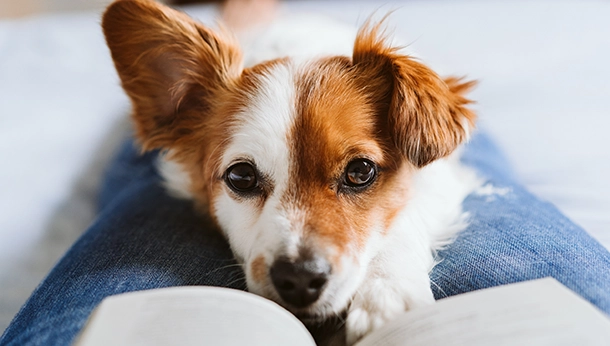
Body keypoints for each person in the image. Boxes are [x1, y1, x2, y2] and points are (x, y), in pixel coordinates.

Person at [2, 131, 609, 346]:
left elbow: (435, 151)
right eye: (246, 177)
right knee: (156, 181)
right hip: (216, 102)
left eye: (358, 172)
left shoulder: (387, 86)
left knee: (461, 164)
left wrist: (394, 259)